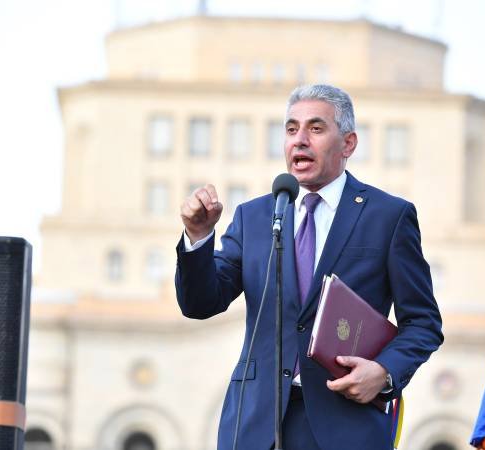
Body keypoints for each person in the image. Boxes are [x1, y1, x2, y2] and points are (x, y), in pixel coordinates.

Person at [175, 84, 443, 450]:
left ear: (348, 144)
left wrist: (383, 373)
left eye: (316, 128)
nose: (299, 140)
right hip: (255, 427)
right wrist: (198, 237)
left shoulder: (388, 216)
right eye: (291, 129)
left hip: (346, 425)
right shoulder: (254, 217)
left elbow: (423, 323)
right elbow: (200, 303)